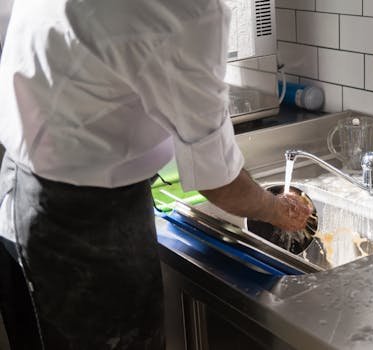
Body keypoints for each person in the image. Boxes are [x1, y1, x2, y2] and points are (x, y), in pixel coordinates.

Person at [0, 0, 311, 349]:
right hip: (85, 225)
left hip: (18, 188)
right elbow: (218, 181)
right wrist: (274, 208)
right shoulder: (189, 10)